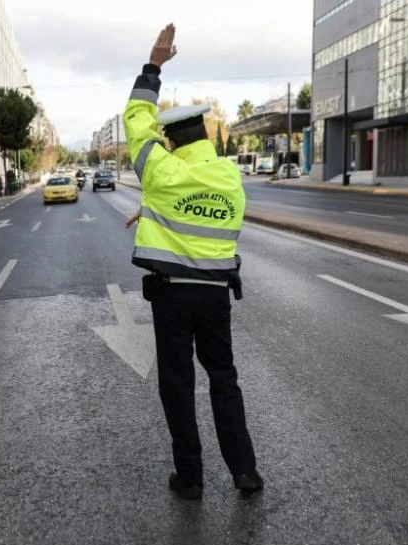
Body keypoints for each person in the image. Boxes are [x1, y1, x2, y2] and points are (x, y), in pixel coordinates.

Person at [124, 23, 263, 500]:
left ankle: (191, 478)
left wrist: (153, 67)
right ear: (204, 134)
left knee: (178, 386)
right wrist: (152, 207)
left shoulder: (160, 171)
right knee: (224, 379)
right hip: (216, 296)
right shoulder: (229, 176)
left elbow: (135, 118)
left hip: (172, 296)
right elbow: (205, 211)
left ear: (170, 141)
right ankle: (244, 470)